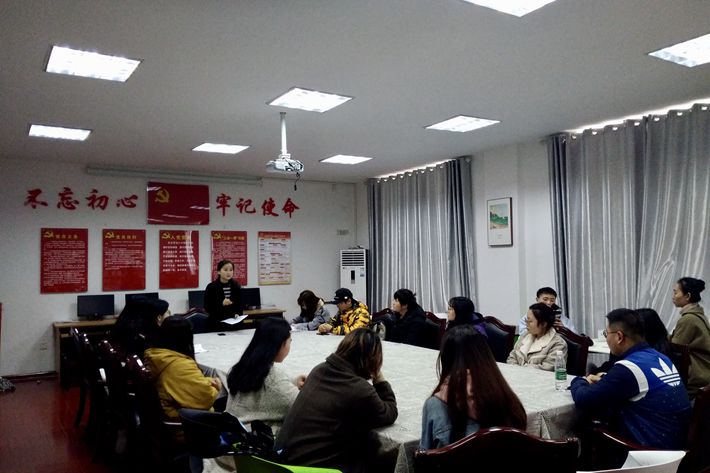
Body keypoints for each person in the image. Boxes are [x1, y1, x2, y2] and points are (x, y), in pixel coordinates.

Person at [275, 328, 397, 473]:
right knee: (377, 457)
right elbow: (389, 413)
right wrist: (379, 378)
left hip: (281, 462)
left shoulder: (318, 370)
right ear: (373, 360)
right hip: (312, 469)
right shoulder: (359, 388)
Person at [570, 308, 691, 449]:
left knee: (583, 429)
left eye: (606, 334)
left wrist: (580, 380)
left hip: (649, 451)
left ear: (619, 337)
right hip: (677, 444)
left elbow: (584, 399)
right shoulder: (661, 357)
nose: (606, 338)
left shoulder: (629, 367)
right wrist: (607, 380)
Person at [204, 318, 305, 473]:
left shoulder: (242, 367)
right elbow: (303, 407)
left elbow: (266, 389)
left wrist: (292, 382)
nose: (290, 345)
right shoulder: (274, 380)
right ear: (280, 344)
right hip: (251, 457)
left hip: (226, 448)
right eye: (290, 341)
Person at [420, 325, 527, 449]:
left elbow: (425, 455)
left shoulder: (435, 405)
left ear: (446, 360)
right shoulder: (505, 396)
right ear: (486, 357)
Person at [143, 317, 222, 422]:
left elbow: (186, 383)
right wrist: (216, 387)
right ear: (185, 338)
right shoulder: (180, 365)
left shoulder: (157, 355)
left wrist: (208, 381)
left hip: (163, 411)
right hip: (184, 419)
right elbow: (205, 399)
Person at [669, 277, 710, 400]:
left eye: (675, 292)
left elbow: (675, 350)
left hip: (696, 378)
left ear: (687, 296)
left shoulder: (688, 319)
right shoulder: (699, 315)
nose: (673, 296)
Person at [507, 302, 567, 371]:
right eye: (526, 320)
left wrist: (521, 370)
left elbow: (548, 368)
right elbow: (512, 357)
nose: (526, 324)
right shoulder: (525, 335)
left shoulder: (558, 344)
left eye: (530, 321)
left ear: (543, 324)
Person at [204, 260, 242, 331]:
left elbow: (240, 304)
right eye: (225, 270)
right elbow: (207, 307)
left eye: (231, 270)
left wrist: (237, 313)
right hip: (217, 323)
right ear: (219, 272)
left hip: (233, 324)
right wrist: (221, 304)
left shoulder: (236, 286)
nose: (228, 272)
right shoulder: (211, 287)